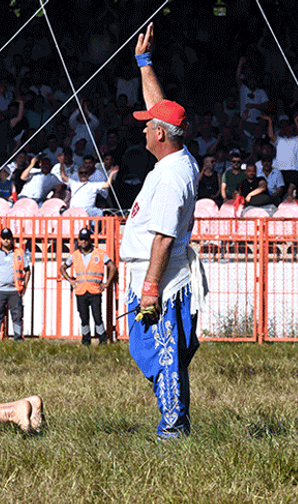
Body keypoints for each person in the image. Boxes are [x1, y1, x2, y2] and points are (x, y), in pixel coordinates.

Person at [121, 23, 200, 439]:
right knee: (148, 348)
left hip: (162, 278)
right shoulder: (175, 156)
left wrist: (151, 286)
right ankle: (171, 418)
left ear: (159, 136)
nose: (143, 128)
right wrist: (144, 64)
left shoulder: (171, 177)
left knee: (164, 352)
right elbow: (160, 109)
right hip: (153, 274)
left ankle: (173, 426)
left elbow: (164, 237)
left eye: (148, 125)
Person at [59, 228, 116, 346]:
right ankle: (86, 340)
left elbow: (112, 267)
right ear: (78, 240)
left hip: (95, 290)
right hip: (81, 291)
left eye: (85, 239)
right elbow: (62, 268)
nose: (83, 242)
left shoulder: (99, 253)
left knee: (97, 317)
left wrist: (107, 283)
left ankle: (103, 339)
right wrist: (70, 280)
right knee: (84, 318)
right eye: (81, 239)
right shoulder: (74, 255)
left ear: (89, 240)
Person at [0, 228, 31, 342]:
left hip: (15, 290)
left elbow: (28, 270)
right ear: (1, 239)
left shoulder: (19, 252)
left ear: (12, 239)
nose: (6, 241)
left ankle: (18, 338)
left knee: (17, 316)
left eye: (8, 238)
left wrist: (24, 285)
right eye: (4, 238)